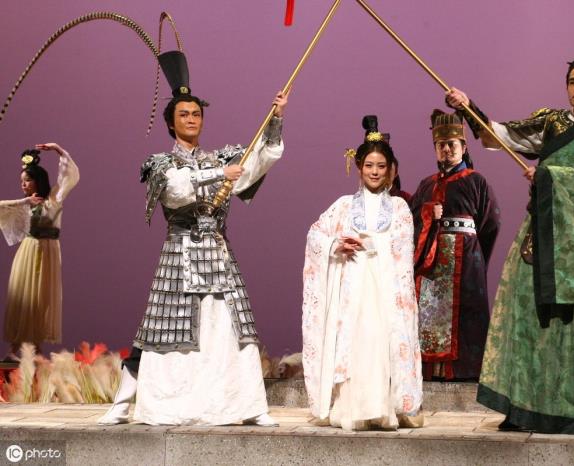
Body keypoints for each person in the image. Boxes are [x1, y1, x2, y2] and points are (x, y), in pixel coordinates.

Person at [447, 38, 574, 435]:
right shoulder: (552, 122)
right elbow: (500, 136)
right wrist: (468, 108)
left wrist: (549, 175)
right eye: (572, 81)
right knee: (526, 320)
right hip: (539, 234)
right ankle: (526, 408)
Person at [99, 50, 287, 426]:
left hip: (217, 251)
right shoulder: (162, 164)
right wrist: (218, 176)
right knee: (161, 325)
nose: (191, 119)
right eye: (184, 114)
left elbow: (255, 163)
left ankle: (247, 406)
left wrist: (276, 120)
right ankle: (124, 404)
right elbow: (175, 191)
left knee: (235, 325)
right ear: (171, 123)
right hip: (180, 250)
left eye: (196, 113)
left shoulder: (221, 158)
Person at [302, 115, 423, 430]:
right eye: (369, 165)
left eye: (381, 166)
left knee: (381, 344)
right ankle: (352, 409)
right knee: (356, 344)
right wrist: (336, 245)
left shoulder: (399, 208)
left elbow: (402, 250)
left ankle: (384, 409)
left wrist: (374, 245)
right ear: (358, 167)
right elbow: (315, 235)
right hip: (353, 290)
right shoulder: (343, 206)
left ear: (391, 170)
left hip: (384, 288)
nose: (375, 171)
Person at [410, 110, 500, 381]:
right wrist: (427, 213)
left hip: (466, 262)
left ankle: (463, 372)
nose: (447, 149)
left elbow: (491, 224)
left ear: (464, 146)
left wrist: (476, 258)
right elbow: (410, 219)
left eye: (452, 144)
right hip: (432, 261)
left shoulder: (477, 181)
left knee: (467, 315)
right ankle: (430, 371)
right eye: (441, 145)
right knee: (429, 314)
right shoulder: (426, 184)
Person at [1, 144, 79, 356]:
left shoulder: (54, 198)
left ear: (38, 181)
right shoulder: (25, 204)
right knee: (22, 297)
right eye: (21, 181)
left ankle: (35, 348)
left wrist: (59, 150)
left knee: (42, 299)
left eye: (27, 180)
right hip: (29, 251)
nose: (23, 184)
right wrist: (24, 201)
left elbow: (69, 177)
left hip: (48, 252)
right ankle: (15, 348)